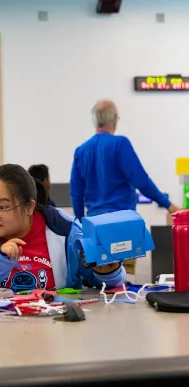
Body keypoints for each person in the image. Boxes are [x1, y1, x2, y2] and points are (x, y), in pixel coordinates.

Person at [0, 164, 126, 294]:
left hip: (58, 323)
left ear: (29, 207)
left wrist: (108, 271)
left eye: (2, 207)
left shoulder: (65, 230)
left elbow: (101, 282)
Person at [70, 99, 180, 276]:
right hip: (123, 223)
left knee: (101, 278)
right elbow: (141, 180)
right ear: (114, 118)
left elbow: (76, 192)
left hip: (95, 224)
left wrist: (80, 223)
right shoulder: (120, 144)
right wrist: (166, 203)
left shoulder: (81, 150)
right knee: (122, 279)